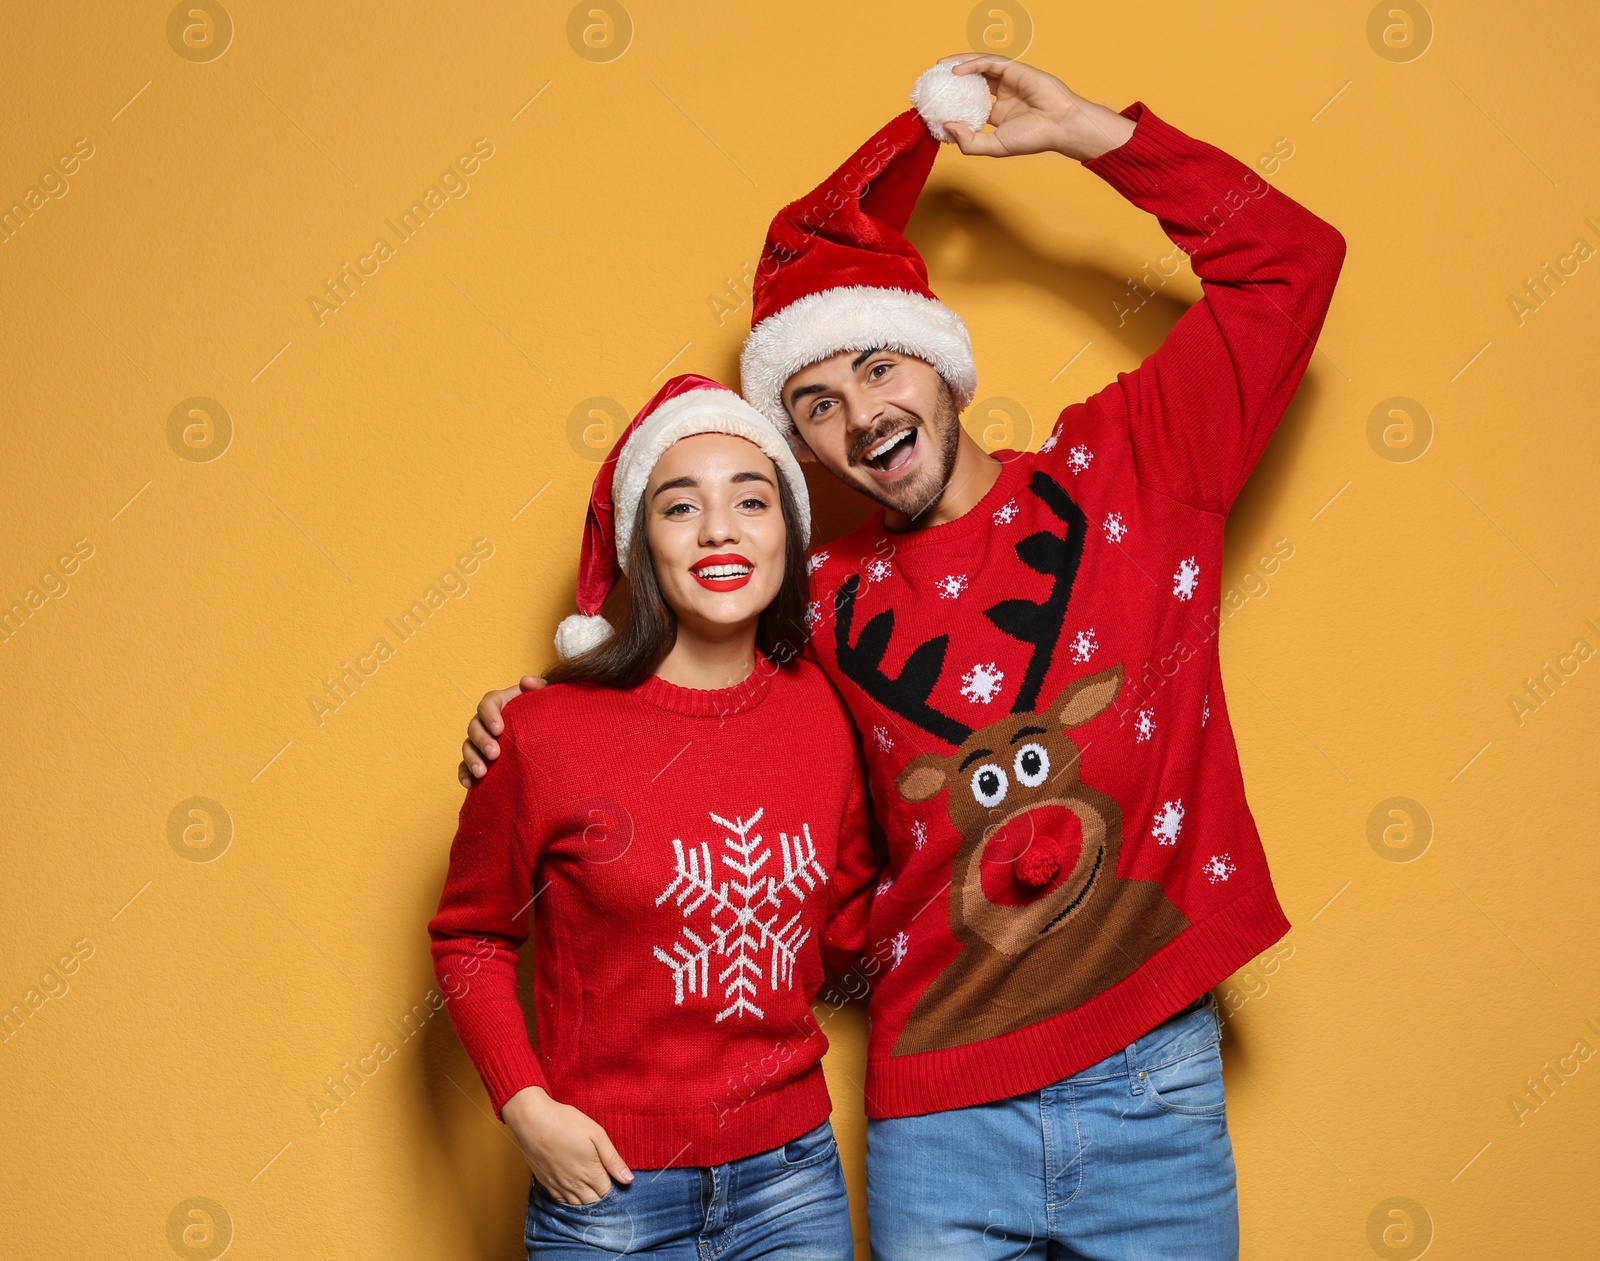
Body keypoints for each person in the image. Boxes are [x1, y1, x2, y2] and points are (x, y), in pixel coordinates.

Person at [458, 54, 1347, 1260]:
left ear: (940, 362)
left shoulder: (1136, 468)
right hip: (937, 1117)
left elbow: (1290, 264)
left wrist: (1099, 137)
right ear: (803, 451)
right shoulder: (813, 604)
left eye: (877, 365)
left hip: (1153, 1085)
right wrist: (542, 714)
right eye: (813, 403)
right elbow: (698, 729)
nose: (859, 412)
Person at [428, 373, 877, 1259]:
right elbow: (470, 937)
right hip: (609, 1195)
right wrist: (525, 1108)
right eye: (681, 506)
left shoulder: (827, 712)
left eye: (753, 500)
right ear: (642, 543)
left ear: (788, 530)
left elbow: (856, 920)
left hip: (795, 1182)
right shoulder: (543, 730)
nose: (720, 528)